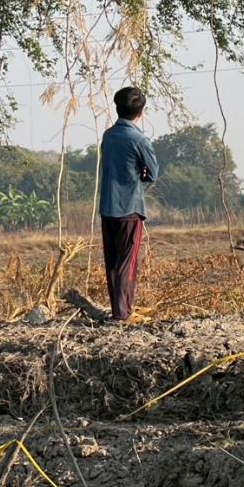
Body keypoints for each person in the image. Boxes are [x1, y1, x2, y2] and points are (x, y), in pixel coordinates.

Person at [99, 86, 160, 323]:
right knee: (127, 262)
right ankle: (122, 313)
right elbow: (152, 174)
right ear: (140, 112)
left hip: (108, 207)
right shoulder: (139, 139)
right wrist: (141, 173)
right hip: (130, 208)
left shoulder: (108, 136)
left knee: (113, 261)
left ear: (118, 109)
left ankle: (118, 310)